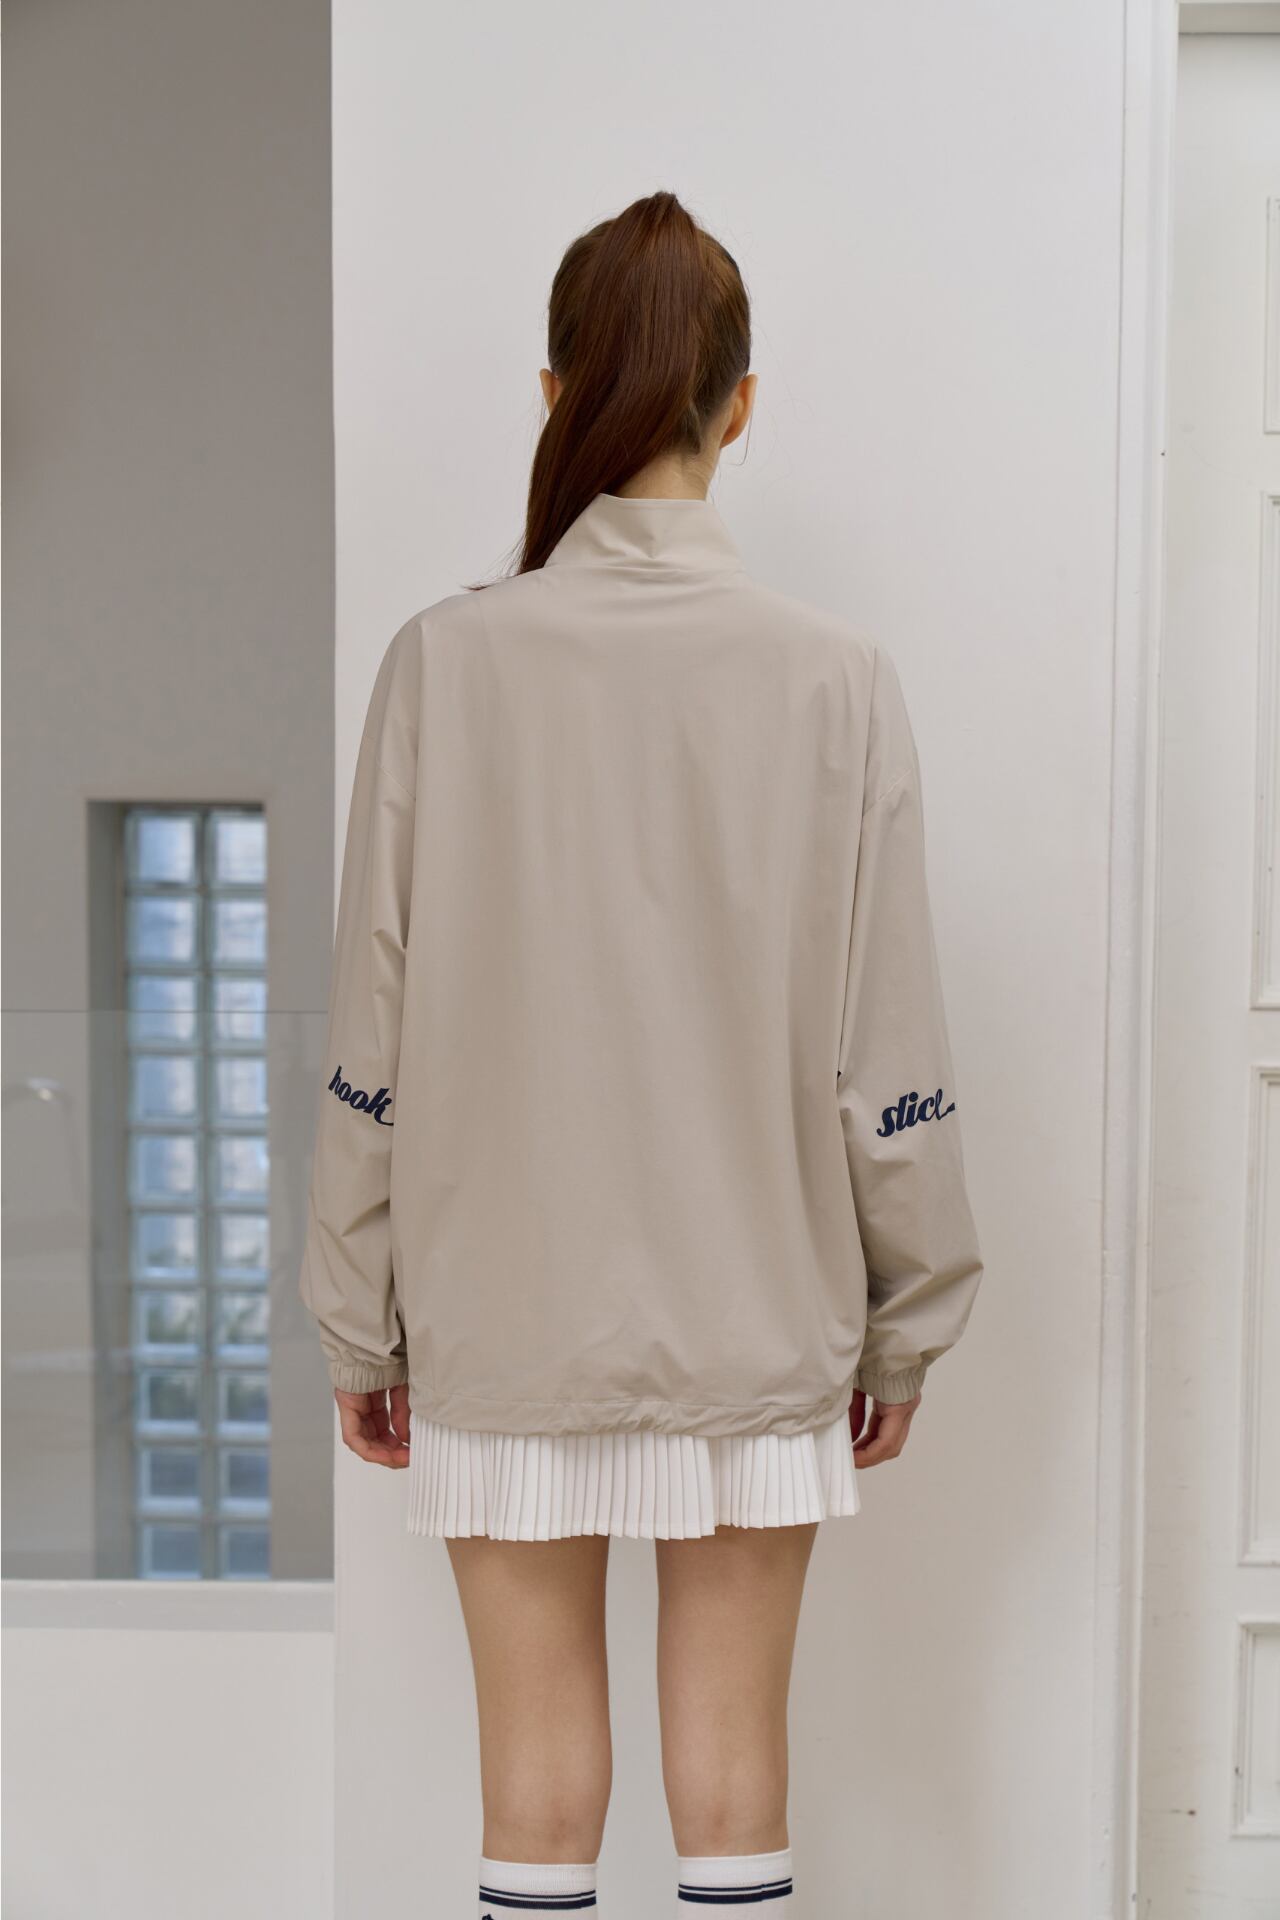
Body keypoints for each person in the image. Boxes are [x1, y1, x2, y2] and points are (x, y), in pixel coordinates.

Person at [299, 189, 983, 1917]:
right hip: (757, 1305)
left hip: (501, 1309)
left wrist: (354, 1305)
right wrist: (910, 1317)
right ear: (740, 407)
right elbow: (887, 1038)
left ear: (555, 394)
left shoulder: (443, 665)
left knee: (529, 1790)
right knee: (737, 1779)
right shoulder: (838, 680)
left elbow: (373, 1027)